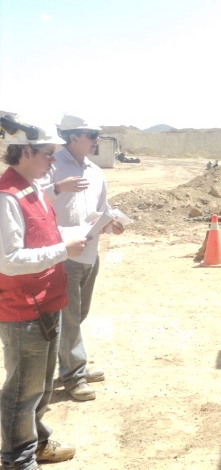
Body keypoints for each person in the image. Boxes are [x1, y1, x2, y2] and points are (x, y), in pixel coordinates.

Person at [0, 114, 85, 469]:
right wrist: (64, 250)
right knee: (23, 390)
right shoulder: (6, 197)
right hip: (24, 311)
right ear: (25, 152)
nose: (53, 161)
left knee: (41, 387)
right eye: (48, 153)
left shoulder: (32, 187)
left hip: (47, 303)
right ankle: (17, 460)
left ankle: (37, 443)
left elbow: (42, 232)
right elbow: (9, 261)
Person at [38, 114, 125, 401]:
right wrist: (58, 188)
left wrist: (111, 224)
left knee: (79, 314)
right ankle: (74, 375)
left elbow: (101, 210)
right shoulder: (51, 165)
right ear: (73, 136)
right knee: (70, 317)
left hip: (89, 254)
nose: (97, 140)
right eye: (91, 135)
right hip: (63, 254)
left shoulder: (95, 171)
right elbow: (31, 200)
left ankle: (72, 363)